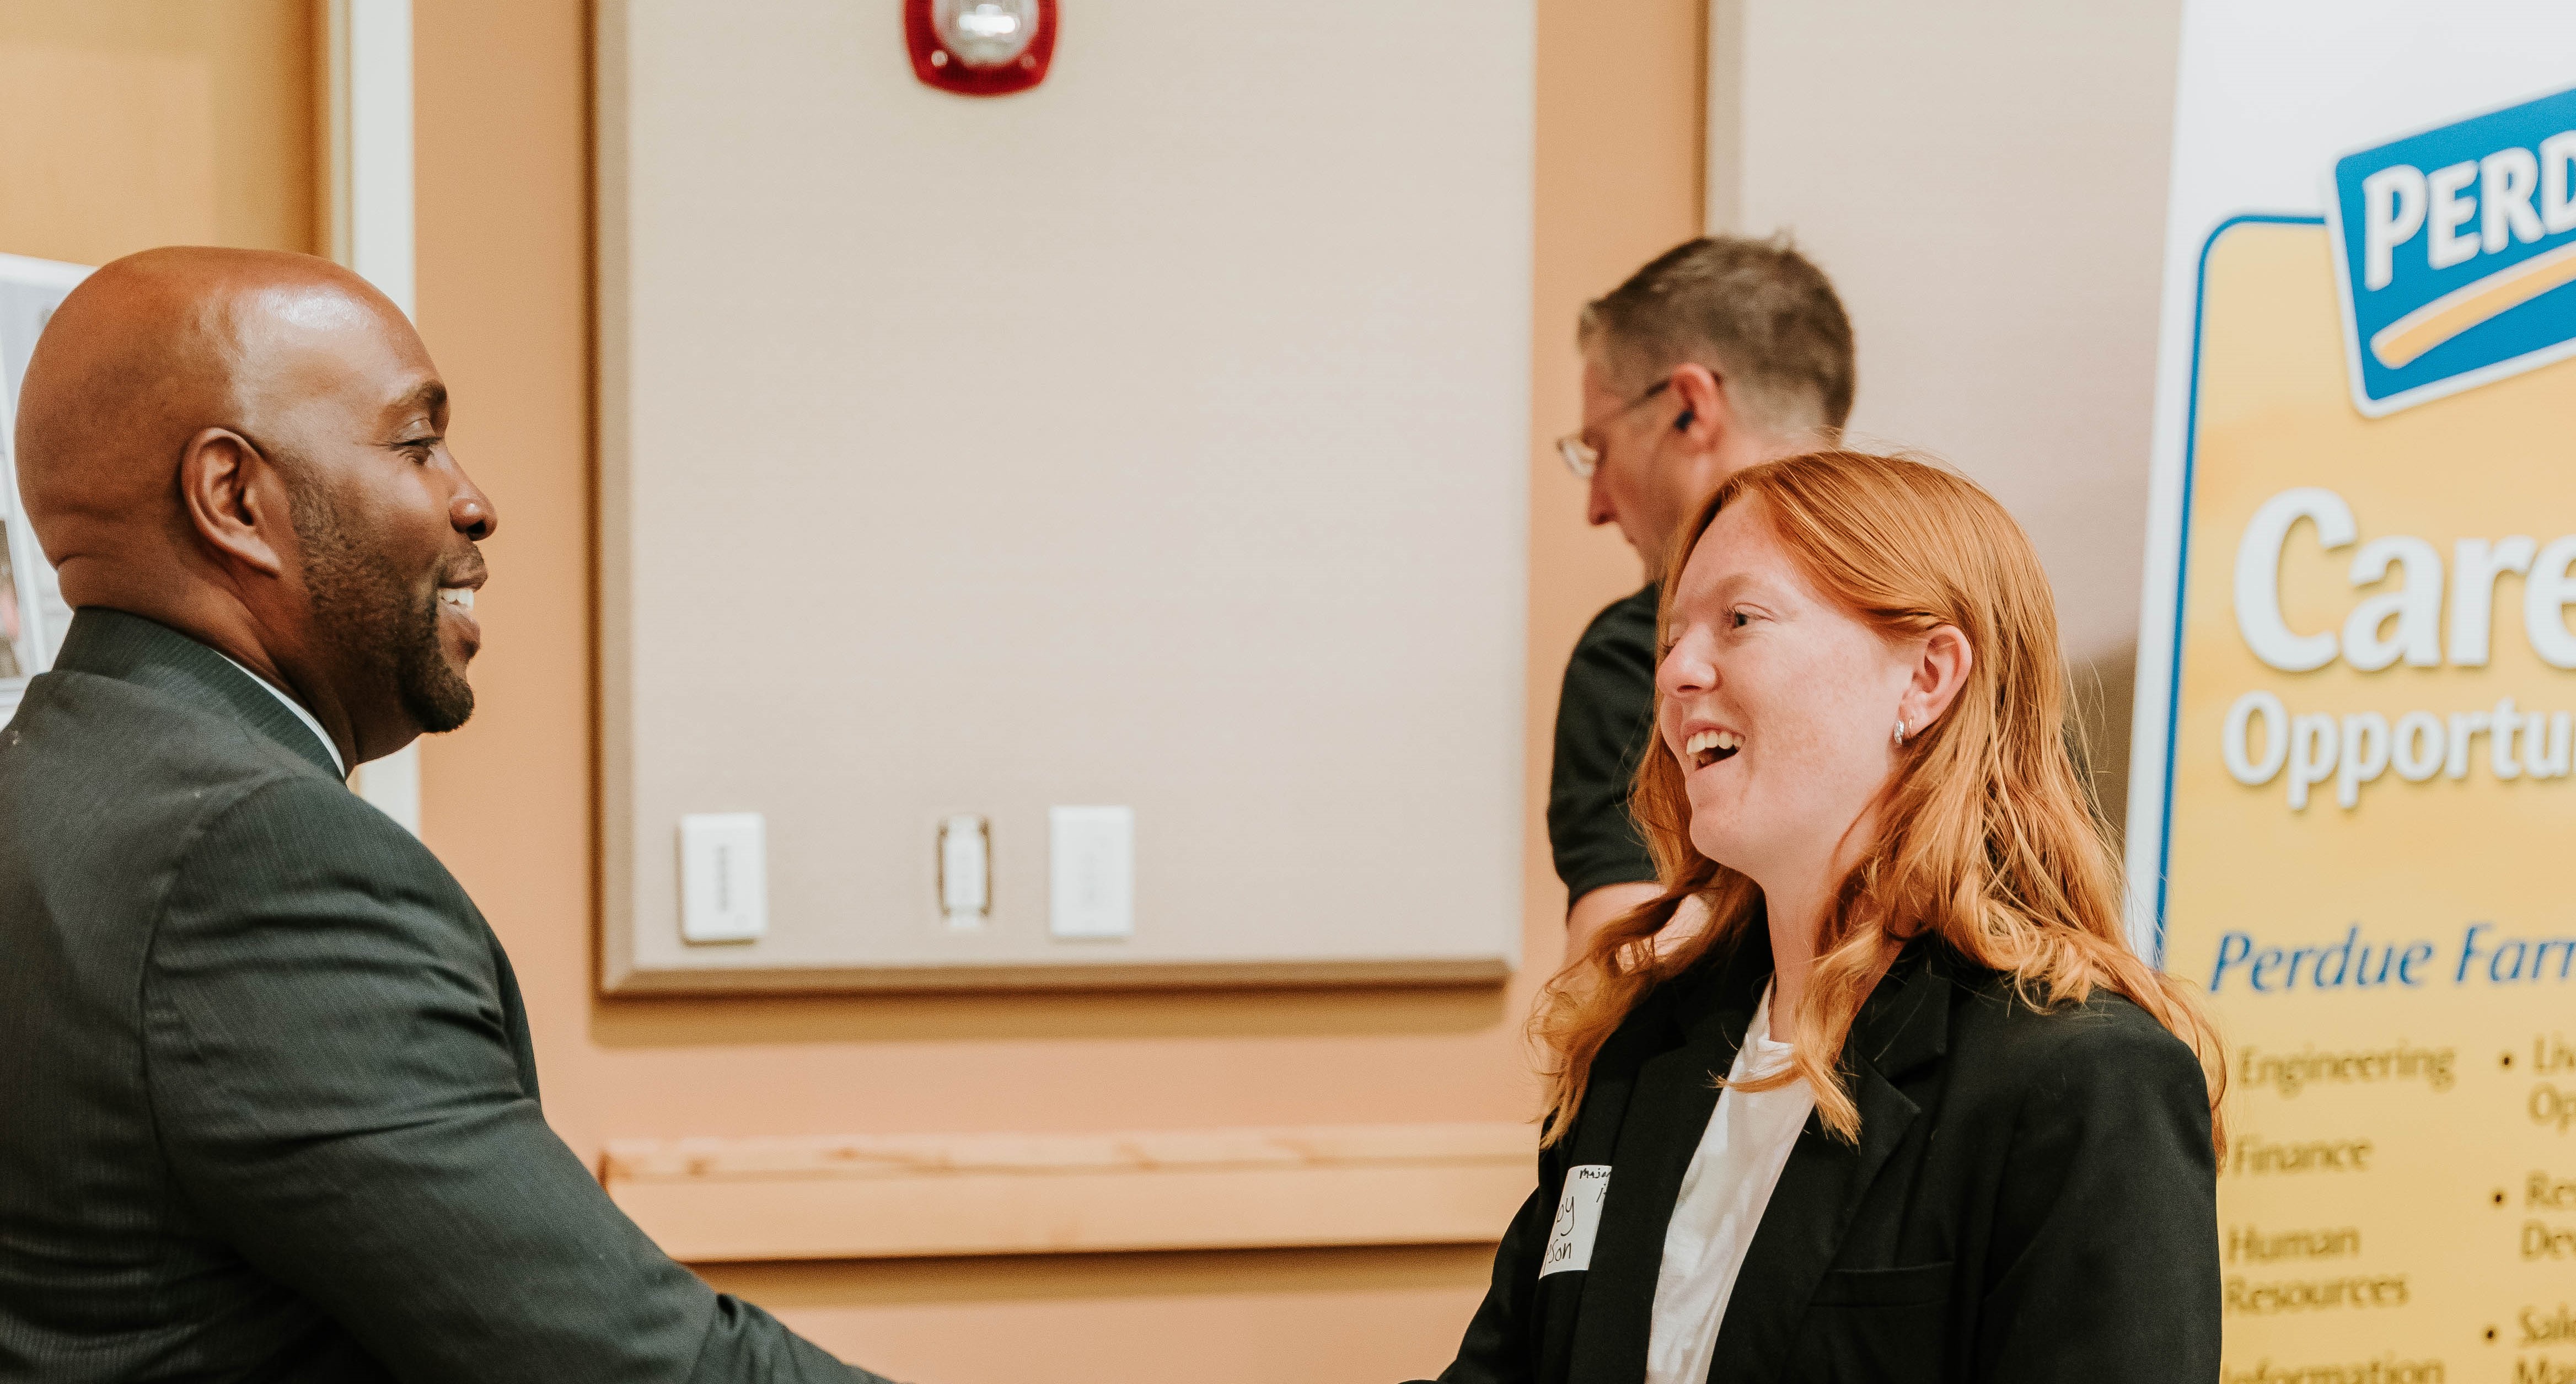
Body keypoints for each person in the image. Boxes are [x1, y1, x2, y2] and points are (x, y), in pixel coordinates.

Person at [0, 248, 893, 1382]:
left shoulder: (41, 792)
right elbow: (620, 1360)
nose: (473, 500)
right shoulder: (256, 860)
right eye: (417, 443)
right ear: (234, 499)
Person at [1424, 452, 2224, 1383]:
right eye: (1674, 635)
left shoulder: (2083, 1083)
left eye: (1740, 619)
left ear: (1927, 677)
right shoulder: (1639, 1051)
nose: (1678, 670)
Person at [1548, 235, 1854, 961]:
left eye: (1600, 449)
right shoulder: (1973, 619)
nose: (1595, 505)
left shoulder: (1637, 653)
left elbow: (1615, 986)